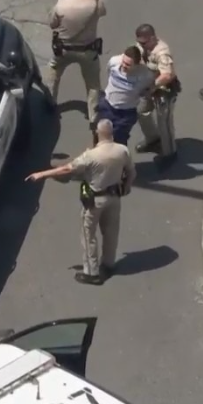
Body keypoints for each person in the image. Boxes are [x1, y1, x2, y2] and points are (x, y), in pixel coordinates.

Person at [26, 119, 134, 285]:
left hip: (95, 200)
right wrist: (126, 187)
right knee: (111, 232)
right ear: (111, 133)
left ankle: (92, 272)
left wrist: (42, 174)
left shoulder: (90, 156)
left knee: (88, 234)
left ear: (97, 134)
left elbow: (67, 169)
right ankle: (109, 264)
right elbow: (131, 172)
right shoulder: (122, 150)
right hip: (114, 198)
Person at [43, 0, 106, 123]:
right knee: (93, 84)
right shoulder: (96, 3)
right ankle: (93, 116)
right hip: (88, 51)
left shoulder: (62, 4)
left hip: (63, 50)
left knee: (53, 73)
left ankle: (50, 105)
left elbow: (52, 24)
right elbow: (103, 12)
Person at [133, 24, 179, 168]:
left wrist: (152, 87)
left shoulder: (162, 52)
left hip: (162, 90)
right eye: (139, 42)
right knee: (142, 112)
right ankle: (152, 139)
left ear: (152, 38)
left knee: (163, 122)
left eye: (144, 42)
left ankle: (170, 153)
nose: (141, 45)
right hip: (147, 86)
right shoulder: (142, 46)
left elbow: (167, 75)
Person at [96, 45, 154, 147]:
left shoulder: (144, 75)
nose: (123, 66)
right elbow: (108, 72)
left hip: (125, 113)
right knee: (101, 135)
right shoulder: (114, 62)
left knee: (119, 139)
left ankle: (120, 161)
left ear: (136, 65)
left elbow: (148, 88)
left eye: (128, 64)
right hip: (107, 105)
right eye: (123, 61)